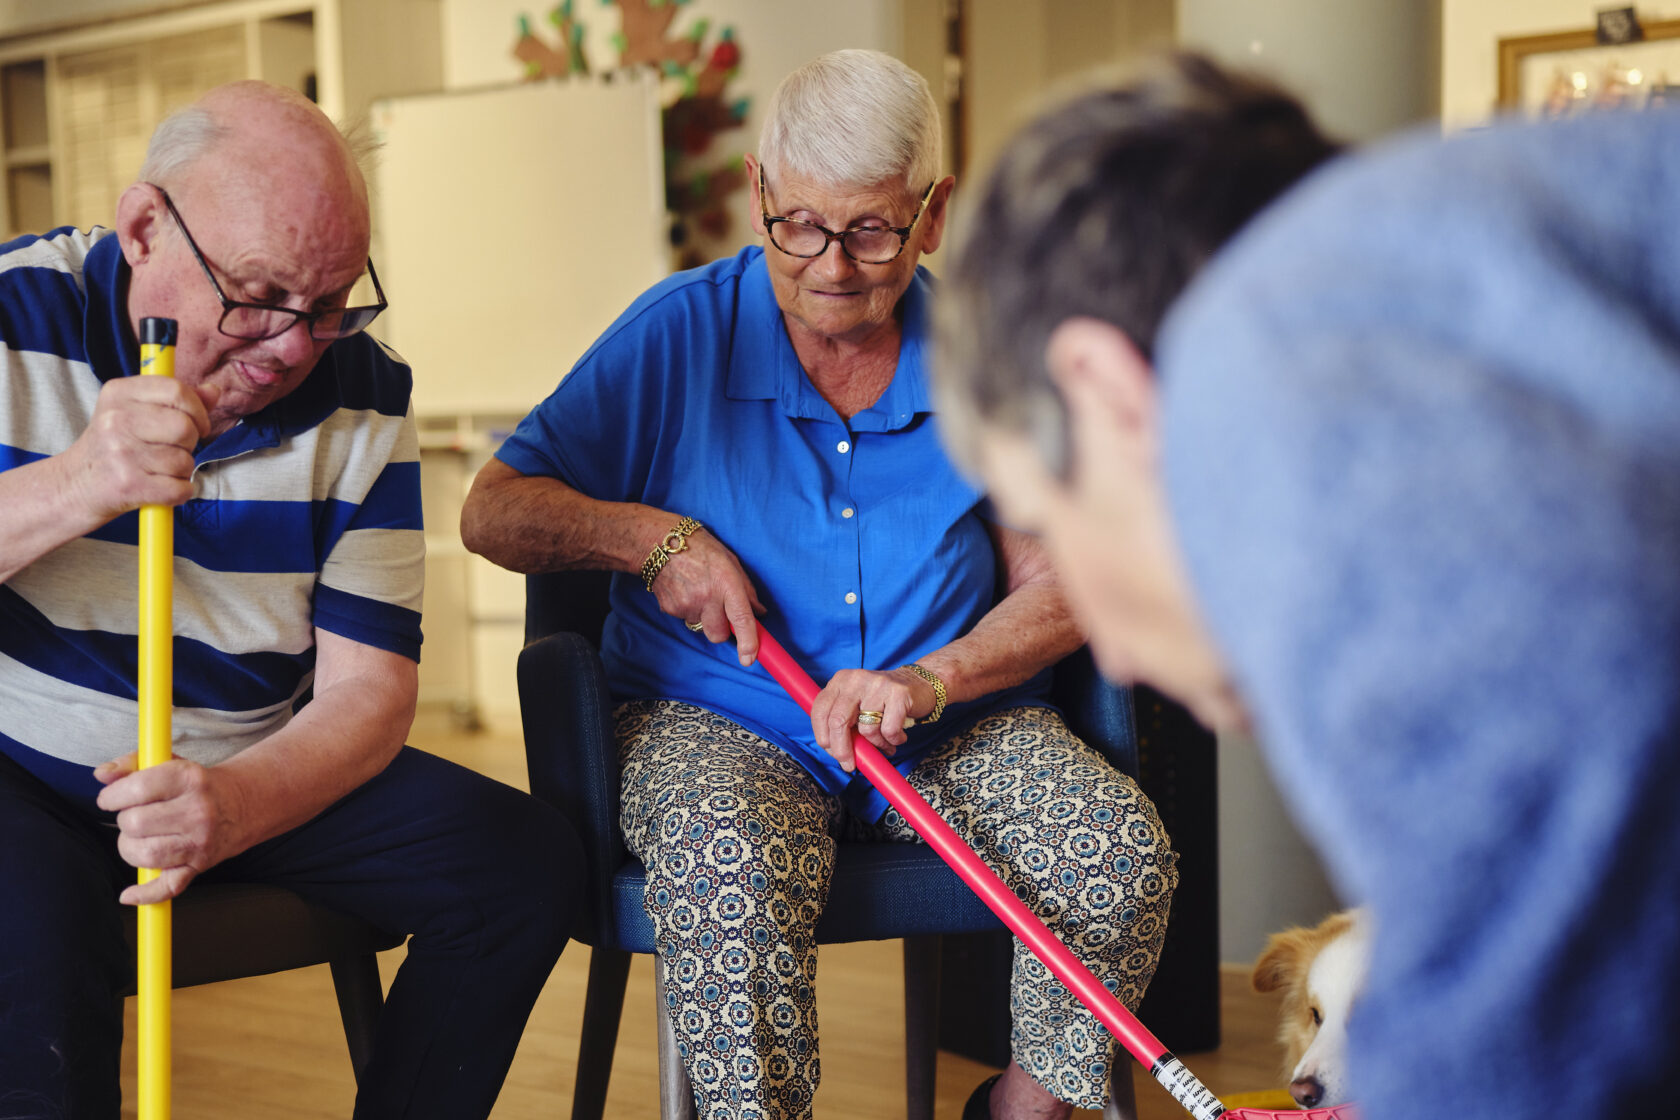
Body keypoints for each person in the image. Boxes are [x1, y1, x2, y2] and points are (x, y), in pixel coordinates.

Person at [933, 50, 1680, 1120]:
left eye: (1052, 524)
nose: (1116, 652)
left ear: (1103, 391)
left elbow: (1533, 1038)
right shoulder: (1468, 263)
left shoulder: (1290, 383)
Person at [460, 48, 1176, 1120]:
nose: (832, 265)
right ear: (757, 194)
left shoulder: (986, 353)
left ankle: (1020, 1113)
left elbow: (1065, 582)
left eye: (873, 229)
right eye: (798, 224)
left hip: (943, 727)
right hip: (716, 716)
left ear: (933, 215)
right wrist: (649, 540)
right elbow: (495, 509)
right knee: (729, 865)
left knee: (1120, 856)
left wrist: (936, 676)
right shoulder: (677, 334)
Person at [0, 81, 582, 1119]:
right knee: (34, 960)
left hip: (251, 769)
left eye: (328, 305)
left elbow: (371, 691)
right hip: (27, 774)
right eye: (260, 296)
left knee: (520, 867)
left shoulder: (362, 388)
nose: (291, 347)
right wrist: (81, 480)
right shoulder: (10, 314)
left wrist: (230, 808)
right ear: (144, 227)